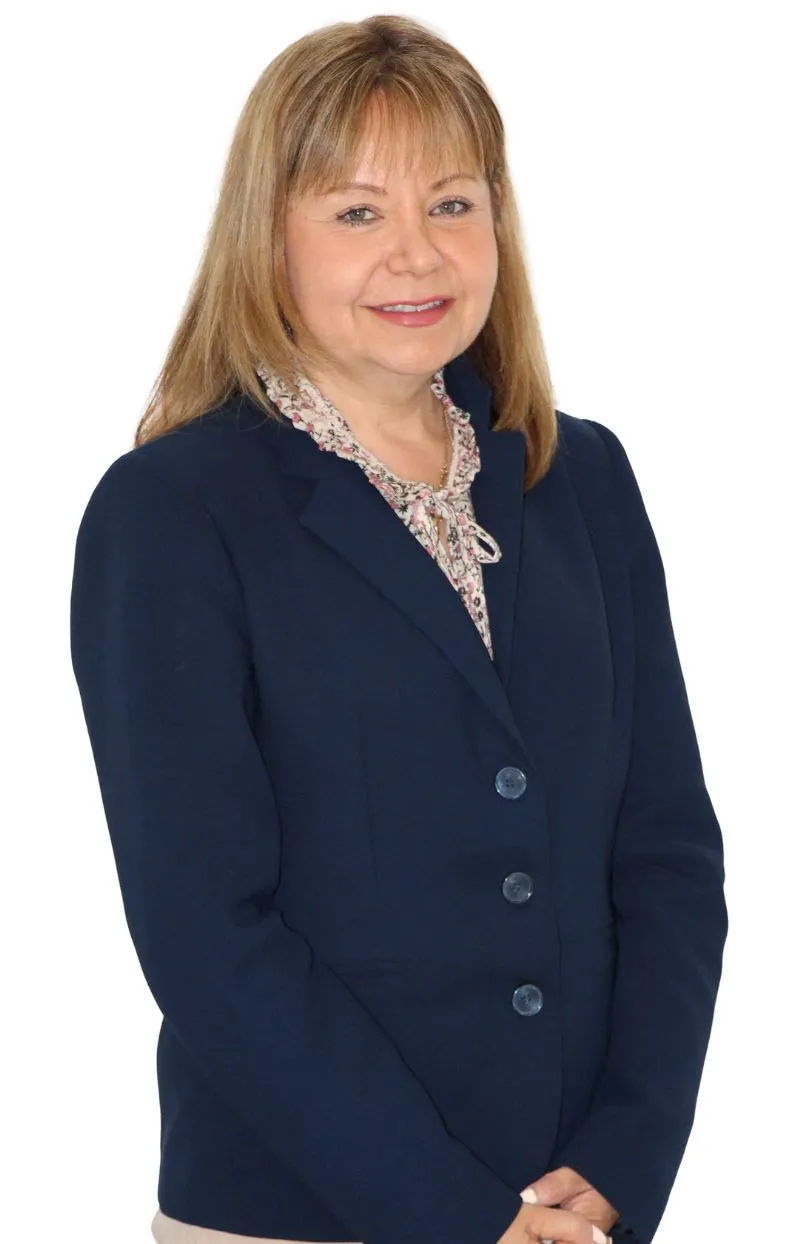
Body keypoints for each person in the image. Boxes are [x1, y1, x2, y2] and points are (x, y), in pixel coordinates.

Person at [69, 15, 728, 1244]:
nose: (416, 253)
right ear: (270, 233)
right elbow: (205, 929)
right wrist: (456, 1213)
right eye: (358, 211)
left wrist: (626, 1150)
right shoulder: (173, 510)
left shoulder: (581, 476)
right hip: (301, 1209)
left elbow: (669, 850)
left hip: (571, 1202)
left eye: (453, 203)